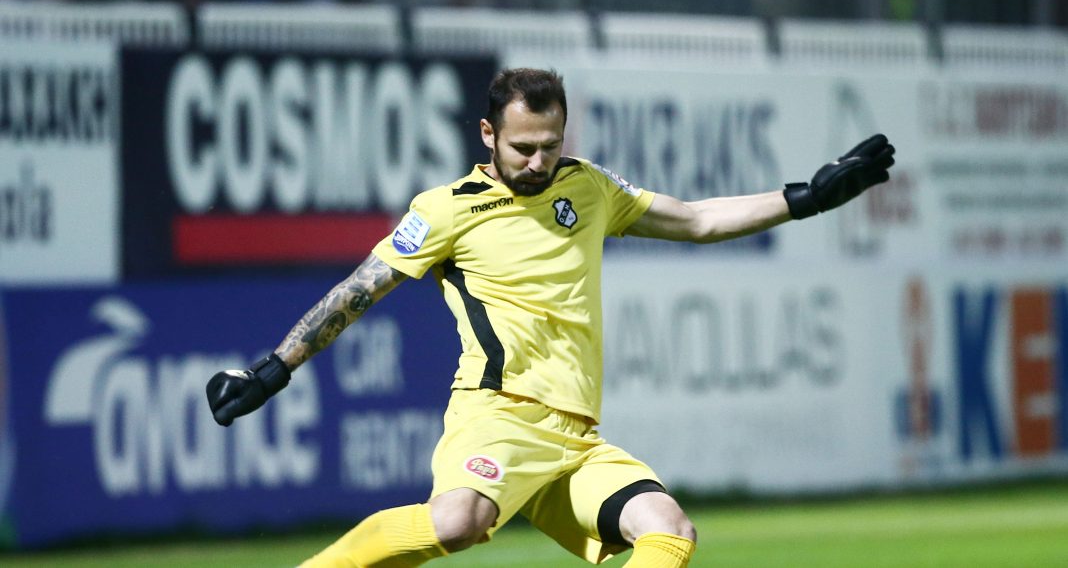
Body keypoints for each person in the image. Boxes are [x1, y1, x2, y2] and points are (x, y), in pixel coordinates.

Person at [206, 67, 895, 567]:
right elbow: (360, 290)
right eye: (523, 148)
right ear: (488, 134)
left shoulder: (588, 187)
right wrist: (273, 369)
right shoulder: (445, 210)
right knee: (458, 522)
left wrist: (806, 197)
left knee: (669, 530)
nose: (538, 161)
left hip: (576, 440)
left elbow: (695, 219)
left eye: (551, 144)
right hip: (497, 416)